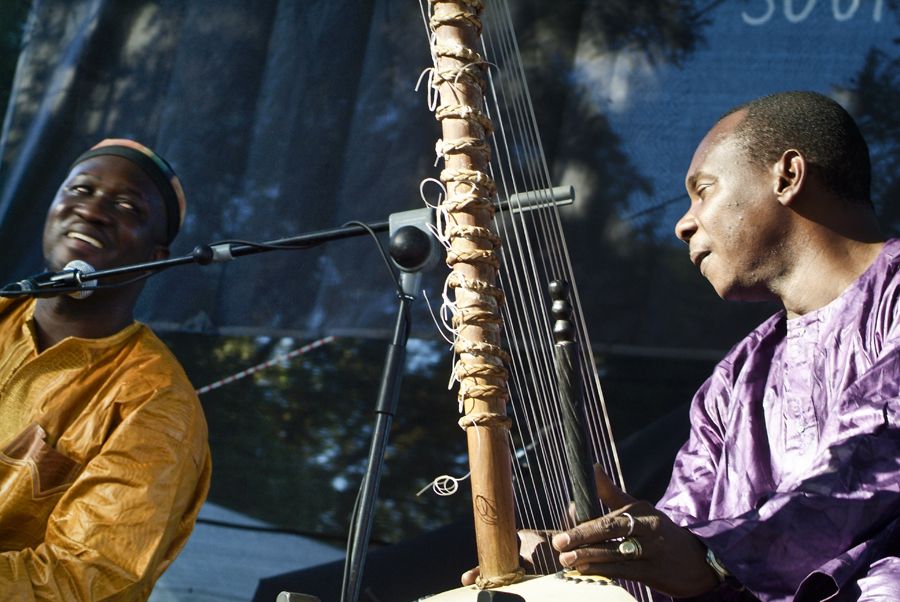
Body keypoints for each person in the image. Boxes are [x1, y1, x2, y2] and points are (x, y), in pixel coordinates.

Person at [548, 91, 900, 601]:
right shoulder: (735, 379)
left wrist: (715, 557)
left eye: (702, 190)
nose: (682, 222)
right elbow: (683, 536)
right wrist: (581, 560)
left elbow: (874, 457)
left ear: (787, 177)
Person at [0, 139, 211, 600]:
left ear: (158, 258)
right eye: (80, 189)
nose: (92, 211)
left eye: (126, 206)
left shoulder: (155, 401)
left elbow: (87, 579)